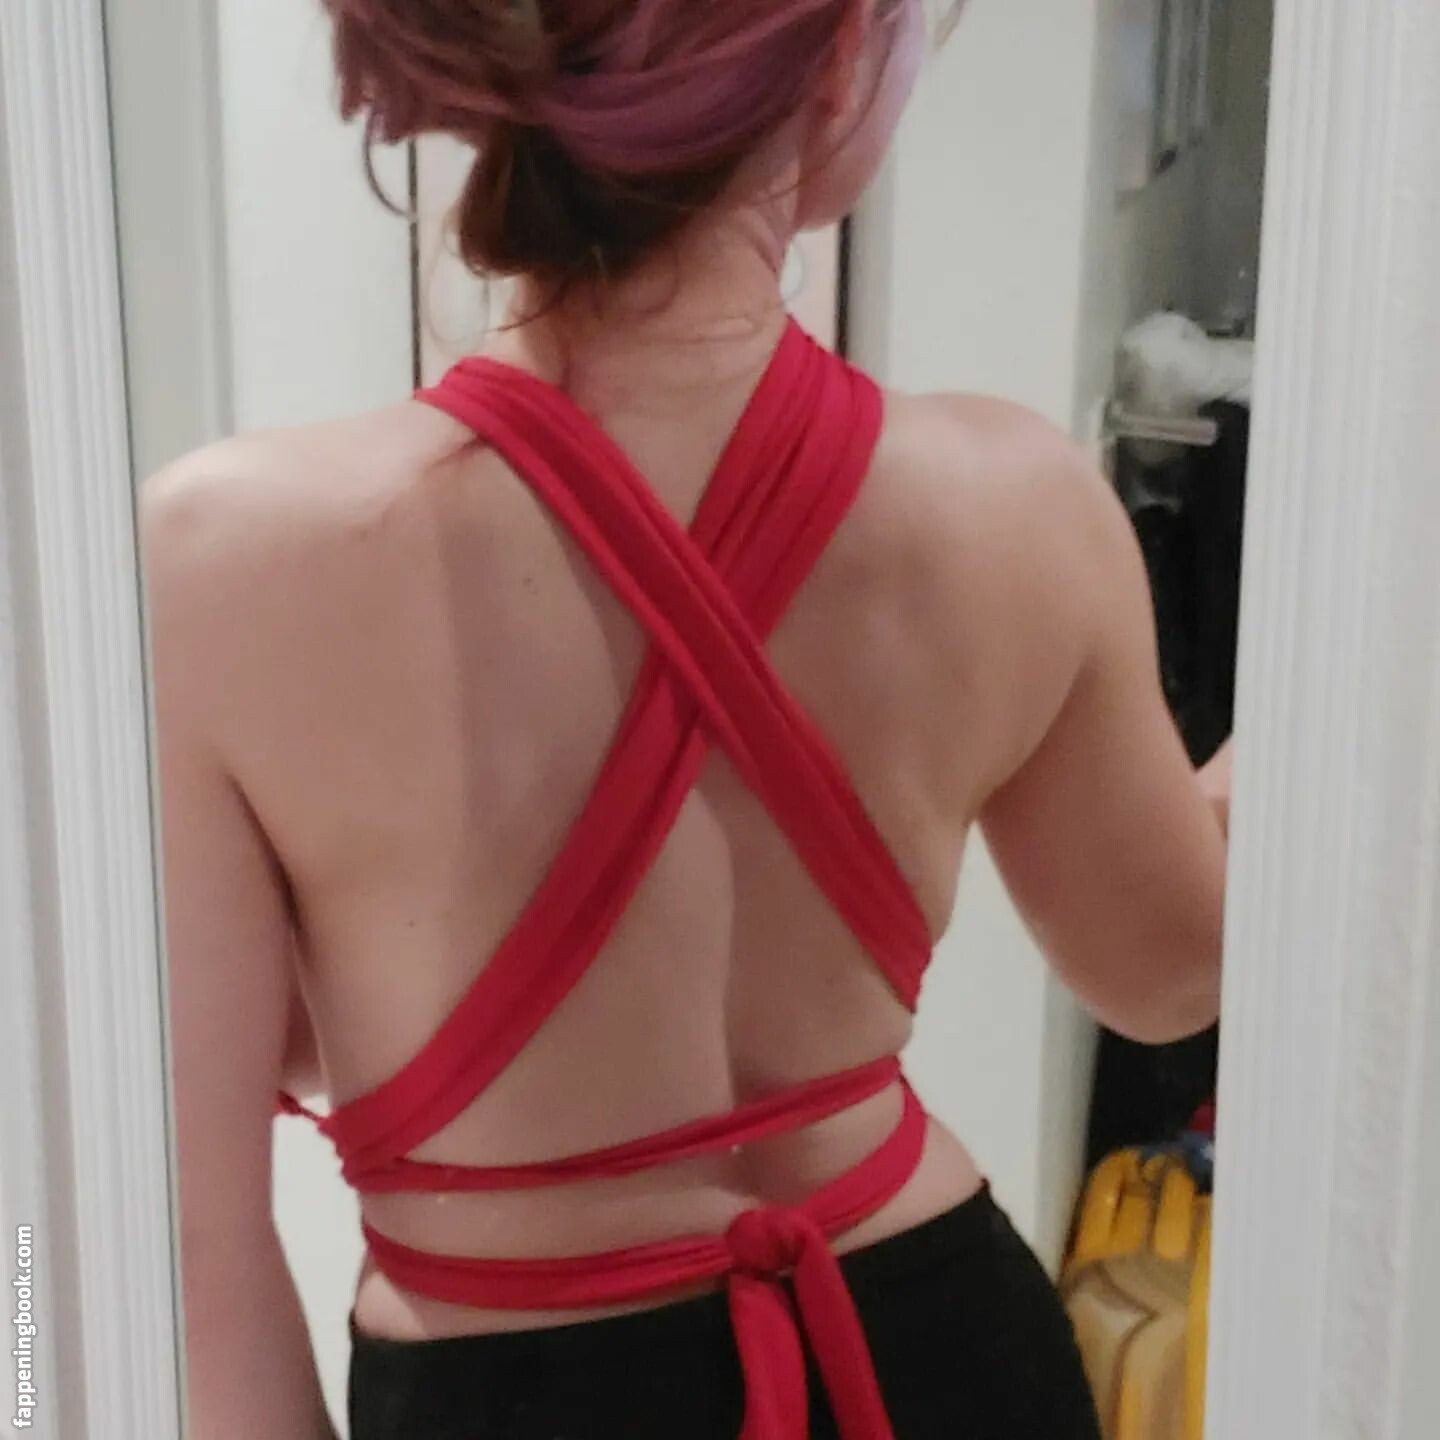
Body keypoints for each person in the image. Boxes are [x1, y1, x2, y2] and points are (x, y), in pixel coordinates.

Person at [141, 2, 1230, 1437]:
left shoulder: (220, 561)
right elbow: (1166, 975)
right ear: (836, 63)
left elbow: (194, 1246)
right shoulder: (1019, 506)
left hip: (509, 1390)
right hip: (939, 1349)